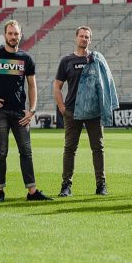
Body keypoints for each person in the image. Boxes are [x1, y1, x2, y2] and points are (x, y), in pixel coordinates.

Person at [0, 20, 50, 201]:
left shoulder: (26, 59)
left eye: (16, 34)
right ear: (5, 35)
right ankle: (0, 191)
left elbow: (32, 86)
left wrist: (32, 110)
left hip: (21, 113)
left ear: (20, 35)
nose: (13, 37)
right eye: (10, 33)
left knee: (26, 151)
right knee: (1, 151)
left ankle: (32, 192)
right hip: (0, 112)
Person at [54, 26, 119, 197]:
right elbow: (57, 86)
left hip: (94, 112)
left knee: (98, 148)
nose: (84, 39)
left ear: (90, 40)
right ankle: (66, 186)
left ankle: (101, 185)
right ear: (76, 38)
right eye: (81, 36)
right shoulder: (66, 61)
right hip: (72, 111)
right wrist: (62, 107)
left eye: (87, 37)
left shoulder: (97, 59)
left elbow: (107, 84)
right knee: (69, 148)